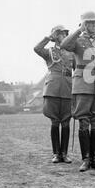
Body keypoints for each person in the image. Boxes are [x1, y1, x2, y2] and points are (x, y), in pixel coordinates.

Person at [61, 11, 95, 172]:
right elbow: (64, 45)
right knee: (83, 120)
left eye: (94, 23)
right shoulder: (76, 40)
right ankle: (86, 159)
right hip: (82, 85)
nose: (92, 26)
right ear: (83, 24)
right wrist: (78, 30)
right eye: (89, 23)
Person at [34, 25, 75, 163]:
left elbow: (79, 67)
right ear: (55, 36)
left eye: (64, 33)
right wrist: (48, 38)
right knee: (55, 121)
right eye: (60, 33)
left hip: (68, 88)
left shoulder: (71, 52)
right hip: (53, 88)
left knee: (66, 121)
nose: (62, 35)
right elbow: (37, 49)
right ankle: (56, 153)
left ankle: (64, 153)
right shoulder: (50, 51)